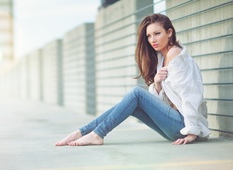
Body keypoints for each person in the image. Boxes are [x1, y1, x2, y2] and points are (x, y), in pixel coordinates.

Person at [55, 13, 211, 146]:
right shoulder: (161, 58)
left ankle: (97, 134)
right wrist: (157, 83)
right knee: (132, 105)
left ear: (169, 33)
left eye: (157, 33)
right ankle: (82, 132)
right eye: (149, 36)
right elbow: (162, 104)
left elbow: (190, 94)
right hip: (174, 126)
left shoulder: (176, 55)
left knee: (136, 93)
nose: (152, 40)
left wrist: (191, 132)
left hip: (183, 126)